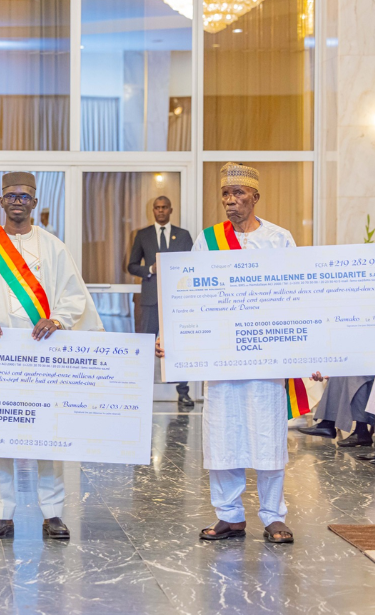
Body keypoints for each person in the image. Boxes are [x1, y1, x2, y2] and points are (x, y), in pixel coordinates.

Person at [0, 171, 103, 541]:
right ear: (1, 201)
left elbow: (73, 295)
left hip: (43, 353)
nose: (17, 202)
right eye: (11, 196)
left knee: (49, 433)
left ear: (34, 202)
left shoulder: (54, 247)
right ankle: (2, 514)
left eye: (24, 196)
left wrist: (58, 319)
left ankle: (53, 513)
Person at [155, 162, 300, 544]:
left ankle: (274, 516)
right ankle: (230, 515)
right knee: (223, 434)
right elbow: (188, 293)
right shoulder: (208, 240)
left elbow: (297, 297)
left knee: (268, 434)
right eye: (225, 194)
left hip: (266, 353)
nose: (230, 200)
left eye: (238, 193)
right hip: (221, 352)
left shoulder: (279, 239)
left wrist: (309, 352)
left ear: (255, 196)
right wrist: (171, 336)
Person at [128, 196, 194, 409]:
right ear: (153, 211)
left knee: (179, 345)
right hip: (150, 299)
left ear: (170, 210)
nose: (161, 211)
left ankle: (183, 393)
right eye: (157, 208)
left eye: (164, 207)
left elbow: (192, 263)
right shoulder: (143, 235)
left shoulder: (183, 235)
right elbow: (131, 265)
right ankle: (142, 392)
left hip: (178, 298)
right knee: (146, 345)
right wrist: (150, 269)